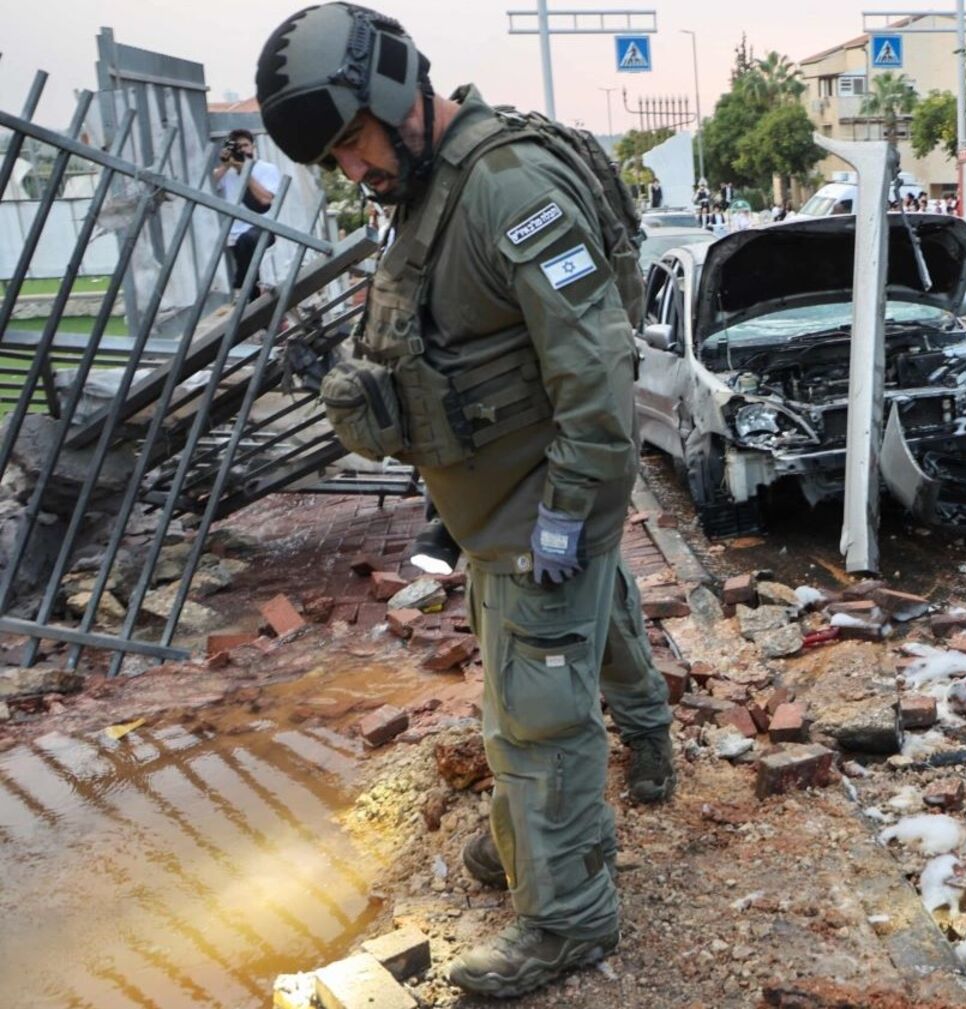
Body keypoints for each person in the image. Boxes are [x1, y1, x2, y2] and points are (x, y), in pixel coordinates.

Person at [257, 4, 679, 996]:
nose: (354, 167)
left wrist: (564, 525)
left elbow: (598, 375)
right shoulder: (431, 187)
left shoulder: (505, 188)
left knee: (533, 712)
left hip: (544, 502)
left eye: (354, 138)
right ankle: (585, 805)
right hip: (506, 499)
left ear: (397, 91)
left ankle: (569, 912)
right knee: (594, 628)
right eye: (338, 157)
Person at [212, 128, 282, 300]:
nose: (243, 150)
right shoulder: (226, 172)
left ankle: (239, 284)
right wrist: (226, 164)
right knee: (251, 274)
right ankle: (255, 307)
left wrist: (245, 171)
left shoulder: (267, 168)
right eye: (238, 147)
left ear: (253, 146)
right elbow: (207, 185)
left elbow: (266, 200)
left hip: (263, 228)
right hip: (235, 233)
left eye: (245, 145)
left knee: (247, 243)